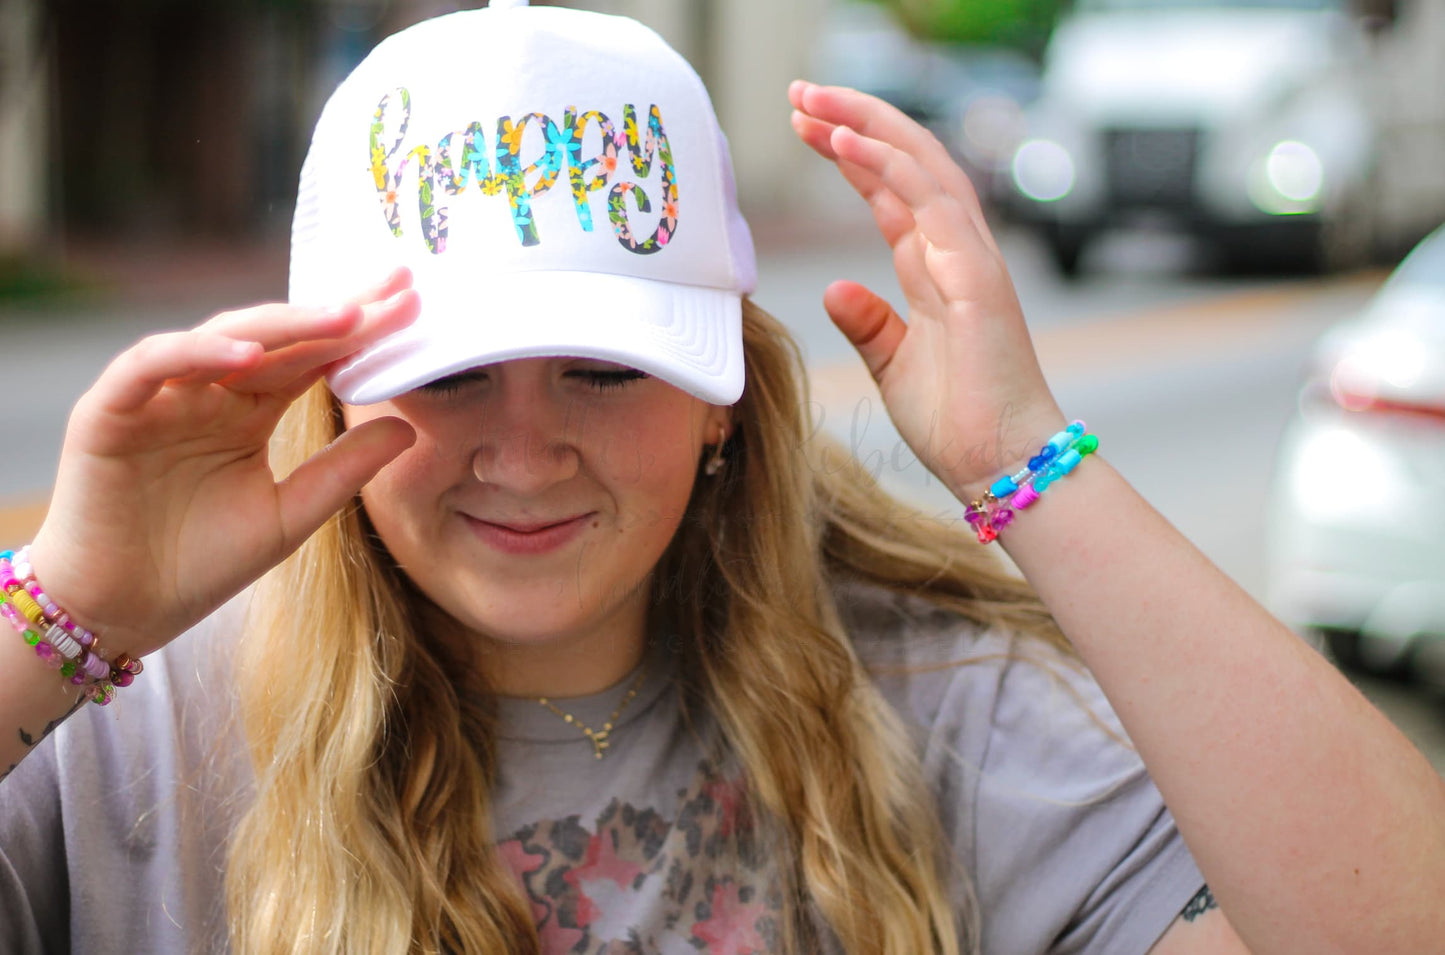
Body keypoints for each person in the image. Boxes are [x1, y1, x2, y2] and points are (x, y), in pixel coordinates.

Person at [1, 2, 1442, 953]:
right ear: (332, 392)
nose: (523, 451)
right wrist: (63, 612)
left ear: (717, 400)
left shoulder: (933, 704)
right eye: (451, 374)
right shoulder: (127, 724)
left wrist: (1026, 464)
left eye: (603, 369)